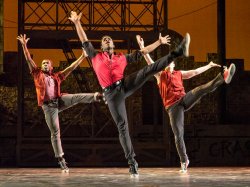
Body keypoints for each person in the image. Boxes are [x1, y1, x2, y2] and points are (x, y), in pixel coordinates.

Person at [69, 11, 190, 177]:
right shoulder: (95, 56)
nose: (106, 40)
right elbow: (83, 39)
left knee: (148, 70)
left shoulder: (121, 57)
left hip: (124, 85)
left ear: (112, 44)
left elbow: (143, 52)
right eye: (104, 40)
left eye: (109, 39)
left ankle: (177, 52)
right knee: (122, 127)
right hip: (112, 94)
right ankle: (132, 162)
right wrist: (77, 23)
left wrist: (159, 42)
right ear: (102, 47)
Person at [136, 35, 236, 173]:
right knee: (178, 135)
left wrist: (209, 65)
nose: (168, 63)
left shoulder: (179, 73)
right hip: (173, 108)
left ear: (173, 64)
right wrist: (142, 47)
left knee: (200, 90)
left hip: (184, 100)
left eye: (170, 61)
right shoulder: (160, 75)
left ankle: (223, 77)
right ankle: (184, 160)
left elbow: (194, 72)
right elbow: (149, 62)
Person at [17, 34, 102, 173]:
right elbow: (28, 59)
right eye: (43, 63)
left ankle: (97, 96)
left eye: (46, 63)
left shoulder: (56, 76)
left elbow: (70, 68)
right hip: (49, 107)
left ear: (51, 66)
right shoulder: (37, 73)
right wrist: (24, 45)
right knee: (55, 132)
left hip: (59, 101)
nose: (44, 64)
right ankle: (61, 158)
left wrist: (82, 57)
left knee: (75, 97)